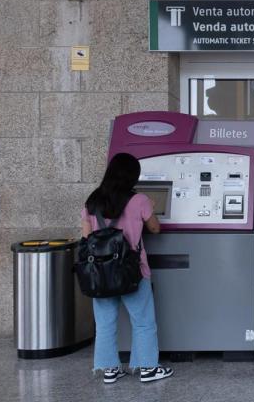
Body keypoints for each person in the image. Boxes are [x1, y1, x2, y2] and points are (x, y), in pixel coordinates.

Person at [81, 152, 172, 385]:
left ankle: (109, 370)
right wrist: (150, 207)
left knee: (104, 323)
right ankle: (148, 368)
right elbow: (155, 229)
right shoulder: (139, 200)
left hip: (100, 273)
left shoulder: (92, 201)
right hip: (132, 270)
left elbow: (86, 237)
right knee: (142, 321)